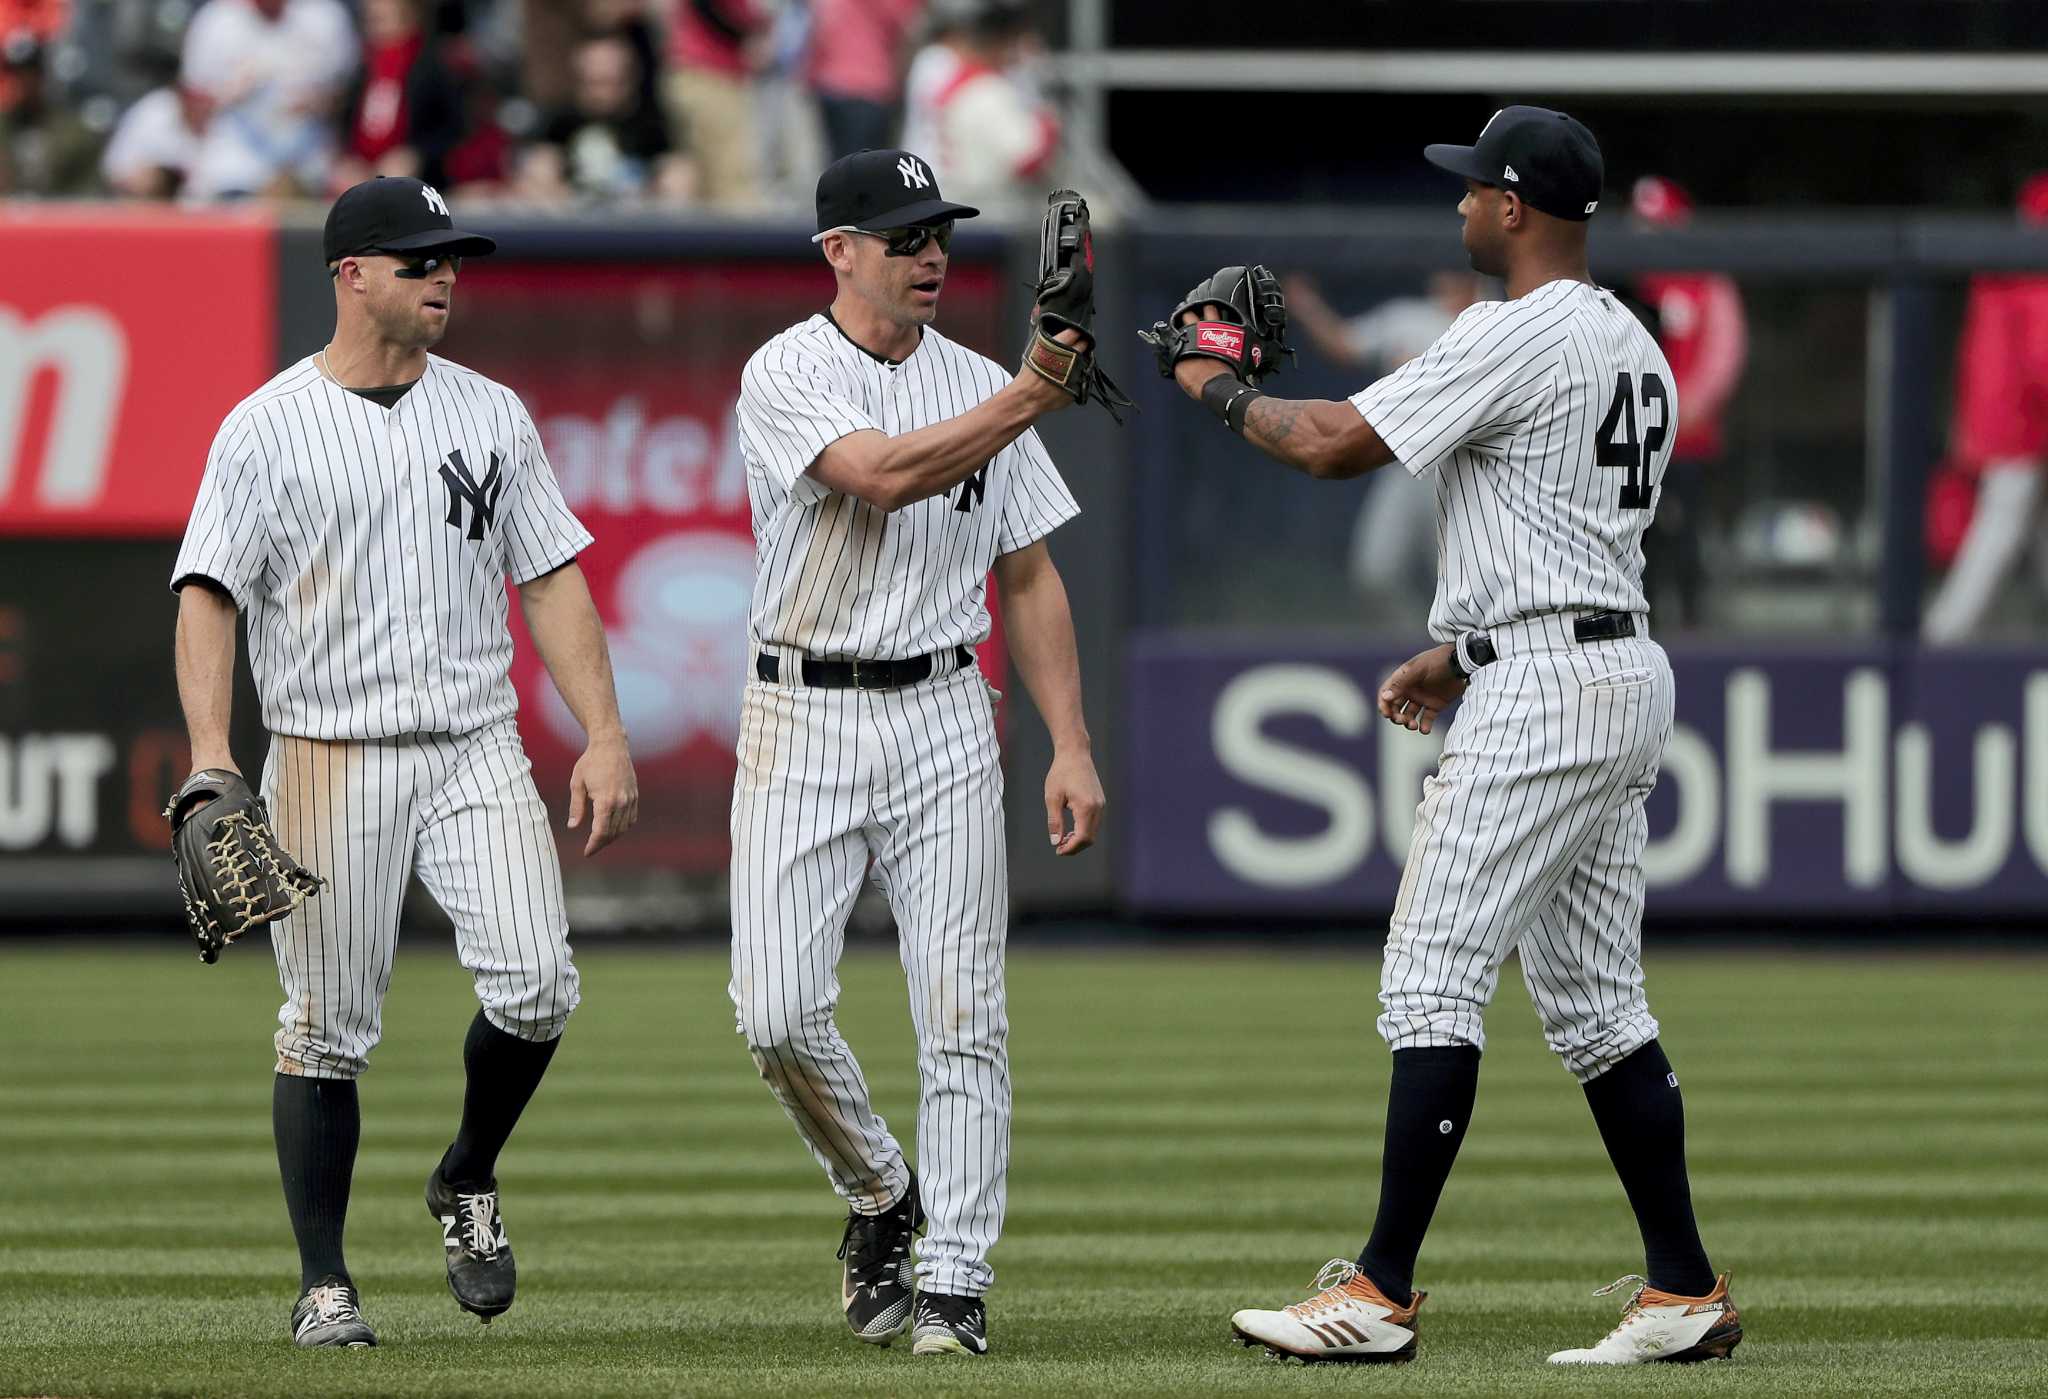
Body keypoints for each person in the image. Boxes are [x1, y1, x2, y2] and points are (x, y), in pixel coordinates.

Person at [1147, 107, 1739, 1367]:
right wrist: (1462, 650)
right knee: (1592, 1005)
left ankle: (1377, 1292)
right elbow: (1558, 535)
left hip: (1551, 686)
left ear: (1516, 209)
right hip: (1607, 662)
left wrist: (1209, 382)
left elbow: (1328, 445)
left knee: (1428, 973)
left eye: (1472, 190)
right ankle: (1682, 1290)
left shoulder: (1514, 331)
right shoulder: (1631, 342)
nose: (1458, 207)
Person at [169, 176, 640, 1347]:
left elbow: (550, 575)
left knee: (537, 985)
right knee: (325, 1025)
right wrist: (213, 755)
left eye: (452, 258)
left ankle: (466, 1175)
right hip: (329, 751)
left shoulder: (491, 412)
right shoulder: (265, 426)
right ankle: (324, 1283)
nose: (444, 276)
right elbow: (206, 593)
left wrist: (605, 731)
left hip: (474, 743)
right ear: (351, 274)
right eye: (419, 258)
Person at [730, 148, 1103, 1358]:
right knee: (775, 1010)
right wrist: (1033, 395)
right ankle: (884, 1192)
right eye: (902, 236)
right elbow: (878, 477)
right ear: (838, 253)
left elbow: (1030, 570)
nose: (930, 253)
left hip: (943, 708)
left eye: (938, 231)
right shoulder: (785, 368)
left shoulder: (979, 375)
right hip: (801, 708)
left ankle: (952, 1275)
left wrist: (1070, 745)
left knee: (963, 1014)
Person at [1285, 269, 1486, 616]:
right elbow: (1345, 344)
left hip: (1468, 474)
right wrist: (1306, 304)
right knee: (1376, 573)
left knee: (1465, 586)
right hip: (1403, 467)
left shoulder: (1498, 316)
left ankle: (1461, 658)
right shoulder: (1408, 317)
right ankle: (1413, 648)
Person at [1923, 172, 2048, 643]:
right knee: (2001, 524)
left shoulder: (2002, 268)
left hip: (2001, 418)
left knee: (2029, 524)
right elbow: (2042, 362)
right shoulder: (2034, 272)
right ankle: (1946, 631)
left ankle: (1947, 629)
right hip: (2022, 422)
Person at [1630, 175, 1747, 630]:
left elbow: (1724, 353)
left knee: (1688, 533)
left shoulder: (1706, 280)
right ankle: (1649, 623)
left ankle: (1695, 623)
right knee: (1643, 538)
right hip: (1635, 441)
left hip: (1689, 438)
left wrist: (1686, 406)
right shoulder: (1632, 281)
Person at [179, 0, 355, 199]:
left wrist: (318, 102)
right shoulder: (216, 20)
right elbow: (191, 104)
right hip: (235, 169)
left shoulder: (325, 16)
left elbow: (347, 96)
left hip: (307, 169)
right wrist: (229, 95)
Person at [900, 0, 1055, 220]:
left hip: (942, 183)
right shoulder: (942, 64)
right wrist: (1046, 122)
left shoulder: (962, 76)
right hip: (963, 194)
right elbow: (1027, 157)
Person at [518, 33, 692, 206]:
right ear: (578, 79)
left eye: (612, 82)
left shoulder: (650, 124)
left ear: (630, 79)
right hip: (571, 220)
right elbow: (535, 176)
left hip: (637, 221)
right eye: (594, 82)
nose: (603, 93)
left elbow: (675, 175)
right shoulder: (560, 123)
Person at [334, 0, 467, 190]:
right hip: (364, 165)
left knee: (394, 183)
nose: (375, 29)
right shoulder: (363, 68)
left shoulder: (430, 68)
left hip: (417, 169)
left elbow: (453, 129)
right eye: (370, 21)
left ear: (407, 21)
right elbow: (348, 121)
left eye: (382, 20)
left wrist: (416, 155)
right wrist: (350, 159)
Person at [662, 0, 766, 209]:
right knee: (729, 180)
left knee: (707, 180)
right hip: (708, 74)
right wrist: (749, 36)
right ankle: (740, 241)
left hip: (706, 73)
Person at [804, 0, 923, 159]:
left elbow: (820, 29)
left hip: (831, 82)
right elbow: (904, 21)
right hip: (869, 85)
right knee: (867, 165)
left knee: (840, 161)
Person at [0, 29, 103, 194]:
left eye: (28, 74)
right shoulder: (3, 128)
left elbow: (89, 194)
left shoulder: (73, 133)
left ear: (42, 76)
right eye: (14, 75)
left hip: (57, 216)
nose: (20, 82)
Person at [100, 79, 214, 198]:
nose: (200, 105)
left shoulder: (217, 117)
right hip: (128, 185)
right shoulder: (157, 110)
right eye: (195, 99)